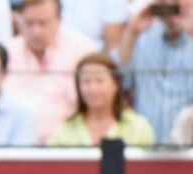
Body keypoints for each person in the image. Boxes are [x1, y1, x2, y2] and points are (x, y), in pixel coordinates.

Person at [2, 0, 98, 143]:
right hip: (12, 146)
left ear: (59, 20)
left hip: (69, 145)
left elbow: (90, 106)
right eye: (29, 23)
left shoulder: (83, 49)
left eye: (43, 23)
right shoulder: (5, 52)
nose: (36, 31)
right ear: (18, 20)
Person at [120, 1, 193, 146]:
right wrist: (131, 33)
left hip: (187, 145)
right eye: (165, 3)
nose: (171, 7)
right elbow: (122, 83)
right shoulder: (143, 38)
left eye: (176, 4)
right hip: (144, 143)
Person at [47, 52, 153, 146]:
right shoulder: (64, 130)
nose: (93, 89)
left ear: (115, 84)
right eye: (86, 81)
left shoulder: (138, 127)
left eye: (99, 81)